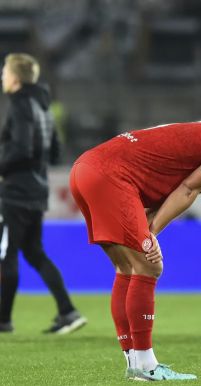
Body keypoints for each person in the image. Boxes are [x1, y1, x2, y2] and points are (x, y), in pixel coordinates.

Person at [69, 117, 201, 380]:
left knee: (126, 267)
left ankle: (135, 363)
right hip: (111, 175)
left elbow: (166, 175)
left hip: (84, 168)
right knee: (149, 264)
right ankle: (147, 366)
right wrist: (152, 232)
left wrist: (150, 225)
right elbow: (188, 189)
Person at [0, 53, 87, 334]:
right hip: (37, 190)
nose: (2, 75)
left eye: (5, 70)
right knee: (35, 252)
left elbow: (22, 148)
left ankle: (3, 321)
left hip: (14, 192)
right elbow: (55, 151)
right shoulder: (44, 107)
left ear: (14, 77)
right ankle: (68, 311)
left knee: (6, 255)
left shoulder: (19, 103)